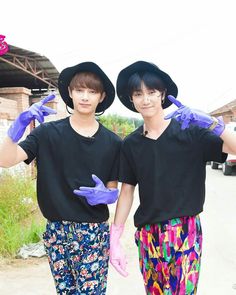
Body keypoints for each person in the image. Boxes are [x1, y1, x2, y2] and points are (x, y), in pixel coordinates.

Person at [109, 61, 236, 294]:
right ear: (132, 99)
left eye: (152, 92)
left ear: (163, 94)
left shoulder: (190, 131)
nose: (145, 99)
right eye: (138, 94)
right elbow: (127, 190)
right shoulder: (131, 144)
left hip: (185, 231)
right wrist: (115, 237)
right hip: (149, 235)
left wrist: (214, 125)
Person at [0, 61, 122, 294]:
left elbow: (113, 188)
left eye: (92, 91)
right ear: (70, 93)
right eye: (79, 90)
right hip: (56, 231)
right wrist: (16, 130)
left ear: (101, 96)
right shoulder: (46, 133)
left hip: (93, 232)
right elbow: (5, 160)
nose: (85, 97)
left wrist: (108, 195)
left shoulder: (113, 143)